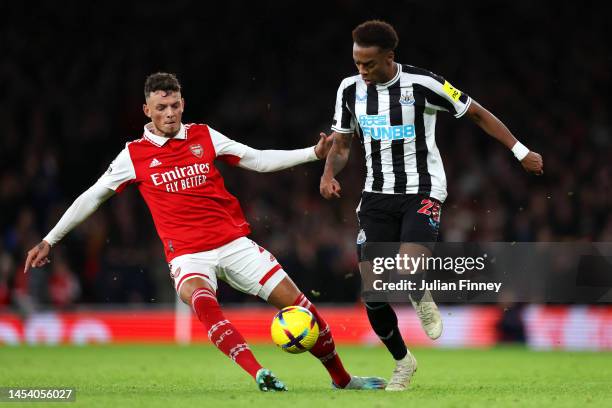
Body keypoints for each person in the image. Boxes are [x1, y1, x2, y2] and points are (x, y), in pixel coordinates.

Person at [24, 72, 386, 392]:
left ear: (183, 104)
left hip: (234, 244)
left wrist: (312, 153)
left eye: (175, 105)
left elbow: (256, 160)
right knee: (201, 298)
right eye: (161, 107)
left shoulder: (203, 136)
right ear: (146, 110)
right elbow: (92, 197)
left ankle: (342, 379)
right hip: (186, 254)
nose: (169, 113)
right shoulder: (132, 156)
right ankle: (259, 373)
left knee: (301, 307)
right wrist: (49, 239)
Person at [319, 20, 543, 391]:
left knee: (408, 269)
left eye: (369, 64)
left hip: (422, 191)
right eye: (357, 63)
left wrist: (520, 151)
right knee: (372, 293)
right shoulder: (349, 89)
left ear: (389, 57)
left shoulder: (424, 84)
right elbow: (342, 145)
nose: (362, 70)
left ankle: (419, 291)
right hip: (376, 196)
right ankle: (403, 362)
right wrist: (328, 174)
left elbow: (476, 112)